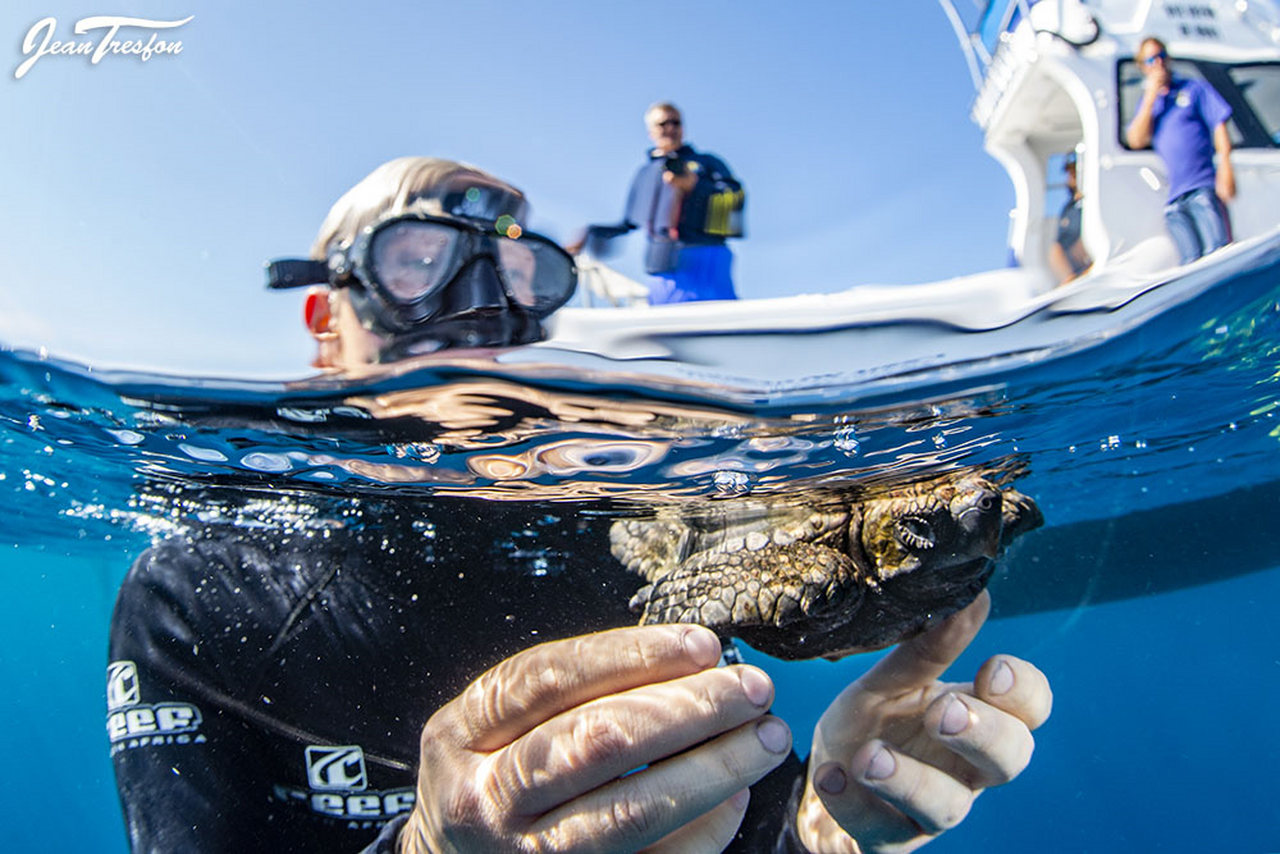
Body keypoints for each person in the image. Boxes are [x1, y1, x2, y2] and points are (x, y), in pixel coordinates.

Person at [107, 156, 1052, 853]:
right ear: (328, 318)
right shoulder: (200, 591)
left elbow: (728, 829)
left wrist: (822, 823)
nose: (482, 308)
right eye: (420, 261)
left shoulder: (638, 528)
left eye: (520, 278)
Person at [576, 103, 744, 305]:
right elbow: (629, 222)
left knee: (718, 321)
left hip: (706, 256)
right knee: (667, 324)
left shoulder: (707, 162)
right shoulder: (644, 174)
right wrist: (589, 233)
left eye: (676, 122)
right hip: (661, 265)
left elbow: (735, 196)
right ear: (651, 131)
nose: (671, 128)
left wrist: (695, 186)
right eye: (663, 124)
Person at [1126, 36, 1235, 264]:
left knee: (1218, 254)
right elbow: (1136, 139)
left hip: (1202, 188)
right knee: (1190, 262)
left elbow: (1219, 124)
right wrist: (1150, 96)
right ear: (1143, 67)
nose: (1158, 64)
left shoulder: (1193, 88)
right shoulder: (1150, 104)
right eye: (1151, 60)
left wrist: (1225, 168)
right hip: (1175, 200)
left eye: (1161, 56)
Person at [1048, 152, 1091, 284]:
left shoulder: (1094, 200)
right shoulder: (1068, 208)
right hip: (1076, 277)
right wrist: (1070, 279)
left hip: (1092, 268)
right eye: (1069, 172)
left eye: (1074, 171)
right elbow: (1057, 247)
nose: (1070, 177)